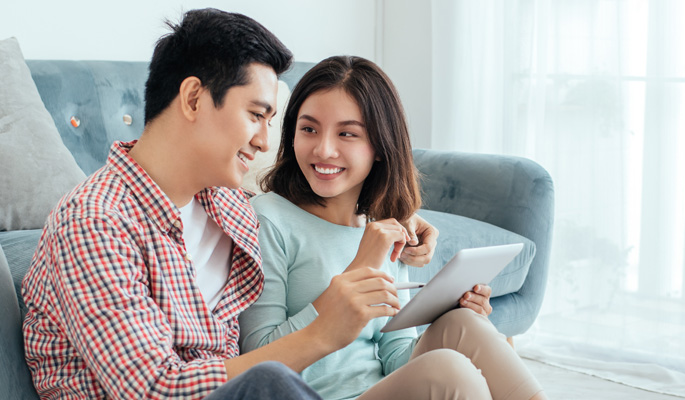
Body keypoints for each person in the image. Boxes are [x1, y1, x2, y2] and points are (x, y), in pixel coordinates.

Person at [20, 10, 438, 400]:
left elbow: (312, 218)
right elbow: (154, 389)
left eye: (270, 122)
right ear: (193, 99)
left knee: (451, 362)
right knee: (270, 380)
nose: (262, 140)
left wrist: (400, 223)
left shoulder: (228, 205)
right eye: (256, 114)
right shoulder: (94, 221)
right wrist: (321, 333)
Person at [239, 56, 548, 400]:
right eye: (309, 129)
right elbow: (257, 357)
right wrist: (360, 271)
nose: (324, 149)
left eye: (347, 133)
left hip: (377, 392)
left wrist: (446, 313)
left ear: (381, 148)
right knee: (448, 370)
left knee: (463, 324)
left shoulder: (385, 230)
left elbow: (394, 353)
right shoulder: (268, 219)